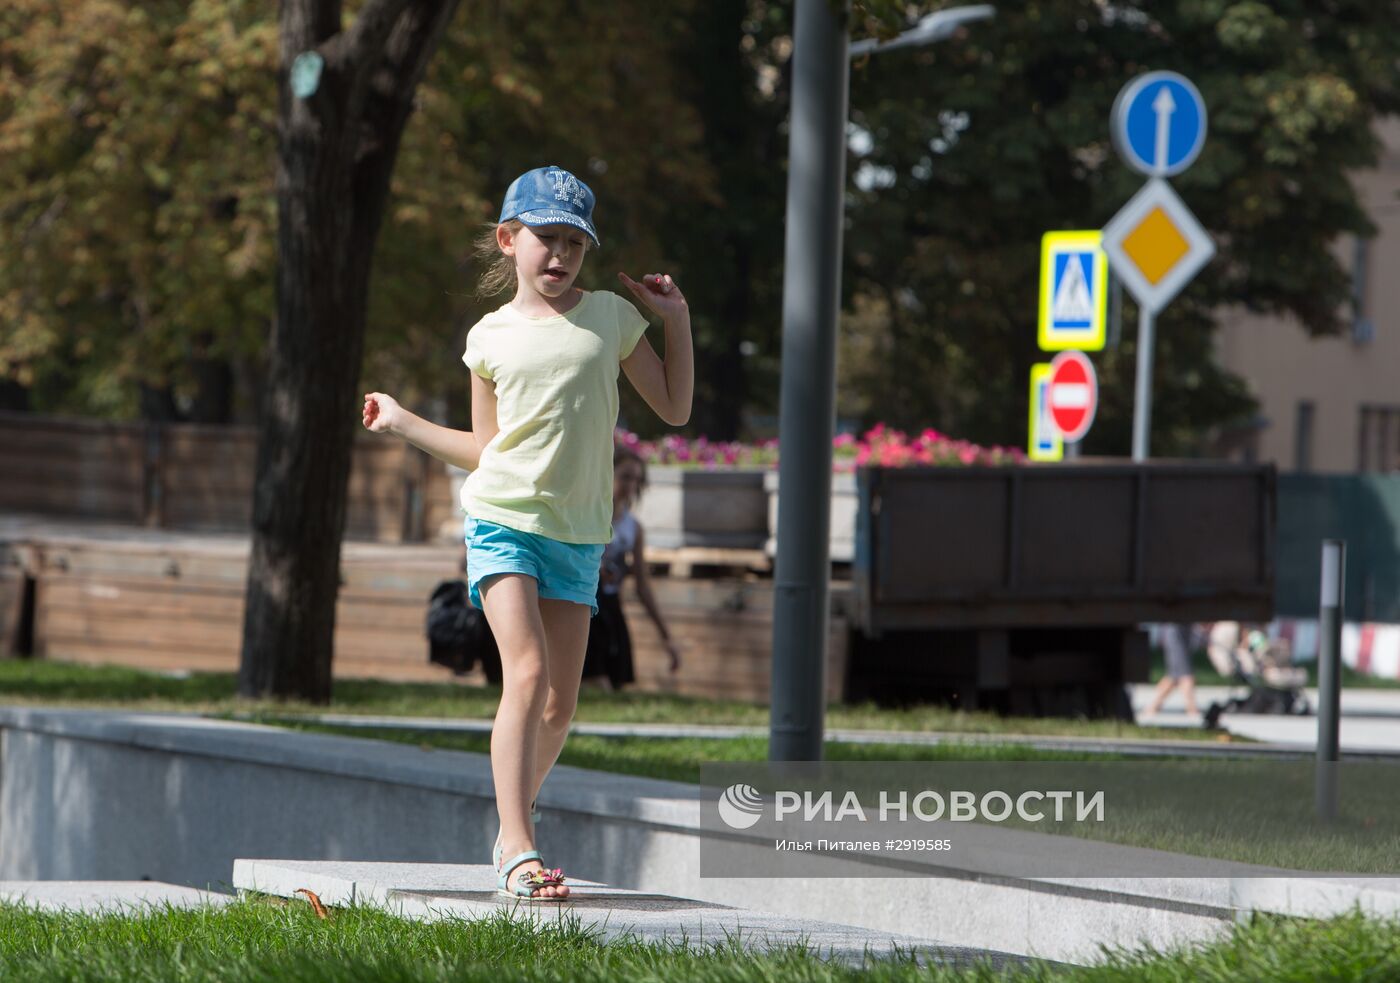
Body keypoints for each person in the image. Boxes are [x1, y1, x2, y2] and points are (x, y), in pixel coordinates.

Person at [361, 165, 693, 901]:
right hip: (503, 519)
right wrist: (404, 420)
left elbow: (672, 405)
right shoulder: (489, 337)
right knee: (528, 673)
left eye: (574, 243)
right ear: (509, 240)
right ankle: (518, 846)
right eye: (546, 239)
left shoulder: (608, 317)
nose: (560, 255)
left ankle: (515, 815)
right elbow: (488, 449)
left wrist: (676, 321)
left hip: (577, 535)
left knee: (560, 705)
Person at [581, 446, 682, 690]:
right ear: (608, 473)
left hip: (611, 604)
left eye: (637, 479)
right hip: (583, 601)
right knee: (594, 680)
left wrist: (666, 636)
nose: (630, 485)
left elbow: (642, 585)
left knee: (618, 680)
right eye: (625, 476)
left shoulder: (632, 528)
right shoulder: (586, 514)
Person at [1141, 622, 1200, 719]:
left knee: (1174, 676)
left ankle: (1152, 707)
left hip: (1184, 630)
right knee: (1185, 675)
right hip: (1176, 631)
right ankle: (1193, 711)